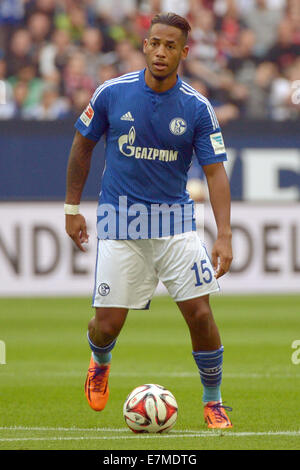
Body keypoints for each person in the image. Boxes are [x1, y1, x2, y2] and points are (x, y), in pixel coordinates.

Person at [64, 12, 233, 429]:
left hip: (175, 224)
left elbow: (215, 171)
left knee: (200, 315)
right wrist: (71, 208)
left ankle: (214, 401)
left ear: (184, 52)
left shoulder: (196, 107)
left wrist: (224, 235)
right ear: (145, 45)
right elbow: (82, 147)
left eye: (170, 46)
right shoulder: (111, 93)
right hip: (123, 224)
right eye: (154, 43)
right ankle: (99, 361)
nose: (161, 52)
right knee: (106, 326)